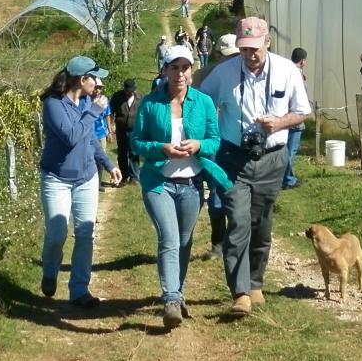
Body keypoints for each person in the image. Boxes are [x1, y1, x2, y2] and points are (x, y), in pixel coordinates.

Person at [199, 16, 311, 318]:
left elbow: (303, 111)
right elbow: (200, 101)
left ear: (268, 43)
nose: (250, 55)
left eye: (255, 49)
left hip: (272, 158)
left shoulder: (287, 71)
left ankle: (255, 281)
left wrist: (279, 123)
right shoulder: (223, 74)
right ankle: (240, 293)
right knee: (237, 221)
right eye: (244, 49)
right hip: (233, 158)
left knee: (262, 224)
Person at [132, 44, 230, 329]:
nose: (179, 73)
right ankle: (171, 299)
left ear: (191, 71)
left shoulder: (203, 102)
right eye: (174, 67)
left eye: (185, 67)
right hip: (158, 182)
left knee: (185, 242)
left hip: (191, 184)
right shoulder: (150, 104)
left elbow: (215, 139)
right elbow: (137, 142)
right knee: (169, 238)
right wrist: (161, 148)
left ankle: (178, 291)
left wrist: (199, 144)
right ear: (164, 70)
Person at [38, 54, 121, 308]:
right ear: (82, 79)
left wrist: (108, 164)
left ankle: (79, 290)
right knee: (57, 233)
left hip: (86, 177)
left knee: (86, 233)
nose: (98, 84)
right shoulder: (53, 105)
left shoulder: (86, 102)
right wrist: (95, 110)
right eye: (95, 78)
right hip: (57, 179)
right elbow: (72, 136)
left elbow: (88, 139)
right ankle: (50, 270)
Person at [195, 31, 244, 258]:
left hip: (238, 144)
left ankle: (238, 241)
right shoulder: (203, 76)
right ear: (217, 55)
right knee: (216, 194)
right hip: (213, 143)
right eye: (228, 55)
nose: (234, 58)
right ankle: (218, 243)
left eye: (237, 54)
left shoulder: (248, 74)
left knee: (238, 193)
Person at [282, 47, 308, 189]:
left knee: (285, 150)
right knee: (290, 151)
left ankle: (284, 177)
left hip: (284, 117)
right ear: (303, 61)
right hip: (295, 119)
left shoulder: (286, 71)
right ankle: (287, 180)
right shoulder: (296, 75)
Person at [109, 78, 141, 184]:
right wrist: (111, 126)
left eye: (131, 91)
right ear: (124, 89)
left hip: (135, 129)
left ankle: (134, 177)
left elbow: (144, 113)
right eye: (128, 90)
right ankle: (124, 175)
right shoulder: (117, 97)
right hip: (121, 129)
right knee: (122, 153)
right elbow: (111, 112)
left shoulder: (140, 98)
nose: (130, 92)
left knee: (134, 152)